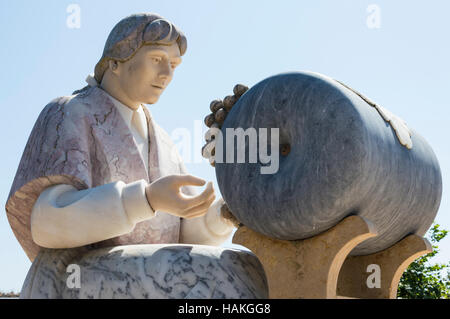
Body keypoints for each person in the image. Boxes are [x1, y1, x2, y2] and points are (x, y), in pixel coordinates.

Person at [5, 13, 266, 299]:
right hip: (72, 276)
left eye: (174, 65)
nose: (167, 74)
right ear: (116, 61)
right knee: (216, 276)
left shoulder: (163, 141)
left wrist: (226, 213)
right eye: (156, 60)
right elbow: (46, 223)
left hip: (145, 272)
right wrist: (145, 200)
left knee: (245, 268)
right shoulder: (69, 112)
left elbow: (184, 239)